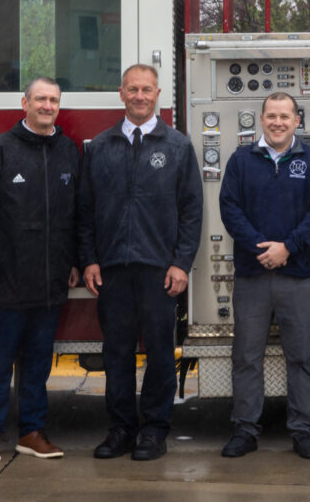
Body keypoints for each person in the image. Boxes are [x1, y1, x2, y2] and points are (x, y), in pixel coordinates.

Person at [80, 64, 203, 461]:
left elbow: (191, 211)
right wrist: (90, 260)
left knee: (161, 356)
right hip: (112, 269)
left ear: (158, 94)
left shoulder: (178, 147)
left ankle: (153, 432)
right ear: (121, 94)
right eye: (132, 89)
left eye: (146, 89)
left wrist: (181, 263)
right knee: (116, 353)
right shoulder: (100, 146)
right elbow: (84, 211)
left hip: (158, 271)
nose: (139, 96)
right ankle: (120, 430)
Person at [0, 77, 80, 463]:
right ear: (25, 103)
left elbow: (76, 213)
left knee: (37, 364)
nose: (47, 105)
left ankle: (31, 432)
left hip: (51, 281)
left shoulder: (68, 150)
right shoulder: (0, 149)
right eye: (40, 99)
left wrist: (74, 263)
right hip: (8, 280)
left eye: (53, 100)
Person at [217, 92, 310, 459]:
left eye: (285, 116)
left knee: (301, 356)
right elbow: (230, 209)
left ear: (297, 120)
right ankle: (245, 430)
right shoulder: (241, 159)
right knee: (246, 356)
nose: (278, 122)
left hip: (297, 274)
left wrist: (288, 247)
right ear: (261, 119)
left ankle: (302, 431)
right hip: (252, 274)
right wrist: (260, 248)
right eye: (272, 115)